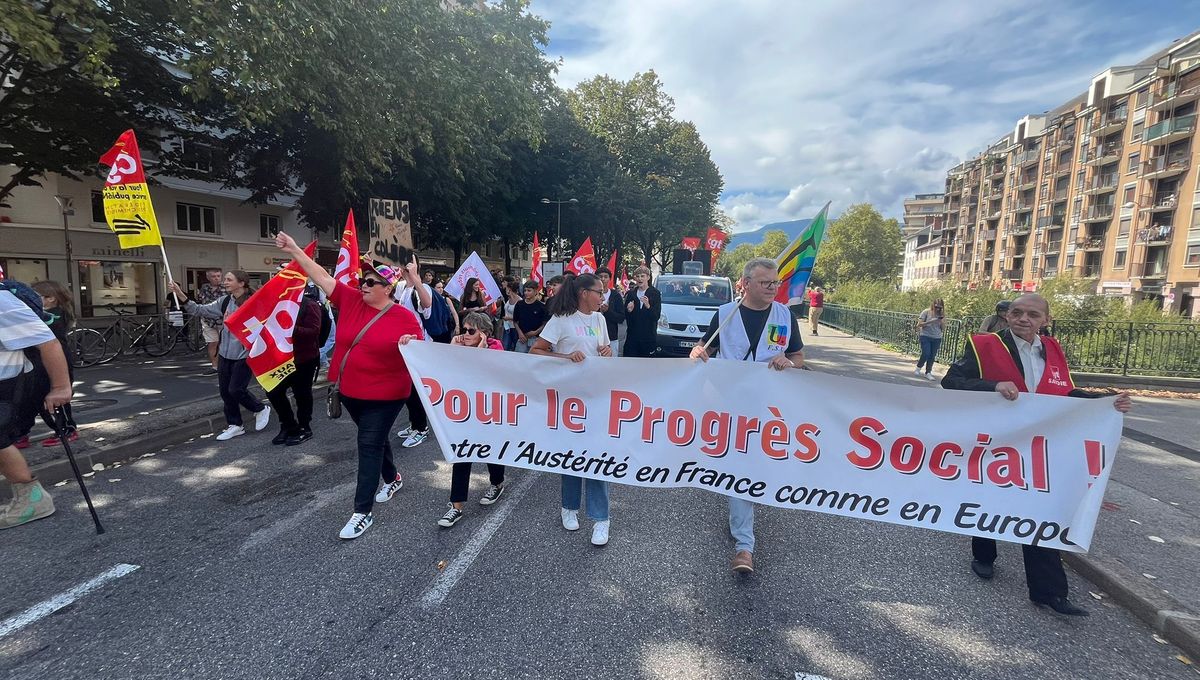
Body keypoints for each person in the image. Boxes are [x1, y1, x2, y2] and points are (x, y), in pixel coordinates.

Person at [942, 293, 1133, 617]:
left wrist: (1104, 401)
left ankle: (1049, 593)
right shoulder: (985, 344)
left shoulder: (1053, 349)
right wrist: (993, 386)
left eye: (1032, 314)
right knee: (990, 500)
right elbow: (952, 381)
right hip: (996, 441)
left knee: (1040, 512)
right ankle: (984, 555)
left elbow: (1065, 394)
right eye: (1017, 312)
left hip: (1040, 446)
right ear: (1007, 316)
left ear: (1045, 319)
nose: (1023, 319)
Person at [275, 231, 424, 539]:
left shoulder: (404, 319)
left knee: (368, 444)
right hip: (350, 392)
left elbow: (421, 357)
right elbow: (319, 275)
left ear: (388, 288)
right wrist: (294, 250)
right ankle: (392, 477)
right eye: (362, 281)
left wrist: (411, 343)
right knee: (375, 440)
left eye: (371, 282)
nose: (363, 286)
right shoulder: (350, 299)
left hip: (386, 395)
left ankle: (362, 512)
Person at [690, 257, 805, 574]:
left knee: (754, 469)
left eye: (776, 283)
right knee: (741, 468)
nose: (772, 288)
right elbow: (706, 347)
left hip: (770, 409)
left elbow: (798, 356)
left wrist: (789, 363)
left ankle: (743, 513)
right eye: (766, 282)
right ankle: (744, 546)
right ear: (746, 283)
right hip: (731, 406)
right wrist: (698, 353)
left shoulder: (785, 317)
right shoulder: (725, 315)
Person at [530, 273, 614, 546]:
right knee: (572, 455)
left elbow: (604, 348)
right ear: (583, 293)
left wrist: (606, 352)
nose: (602, 296)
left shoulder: (600, 319)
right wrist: (565, 356)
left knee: (598, 457)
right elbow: (536, 351)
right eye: (599, 291)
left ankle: (601, 520)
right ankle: (569, 507)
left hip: (597, 397)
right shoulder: (561, 320)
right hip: (569, 401)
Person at [0, 282, 72, 529]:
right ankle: (28, 498)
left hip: (7, 383)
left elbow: (48, 343)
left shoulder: (2, 301)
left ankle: (32, 499)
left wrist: (61, 387)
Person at [170, 272, 272, 441]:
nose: (225, 282)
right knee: (225, 392)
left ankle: (260, 408)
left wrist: (242, 324)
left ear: (242, 283)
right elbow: (199, 310)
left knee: (236, 389)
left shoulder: (254, 302)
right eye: (224, 279)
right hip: (225, 353)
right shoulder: (225, 301)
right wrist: (180, 294)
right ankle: (235, 425)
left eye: (229, 279)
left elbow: (263, 327)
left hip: (244, 354)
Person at [428, 311, 508, 527]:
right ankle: (456, 506)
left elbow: (492, 373)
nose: (465, 334)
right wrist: (453, 351)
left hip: (490, 412)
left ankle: (497, 483)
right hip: (465, 413)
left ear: (484, 333)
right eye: (464, 330)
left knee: (492, 451)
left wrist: (480, 351)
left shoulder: (496, 348)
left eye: (471, 330)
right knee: (462, 455)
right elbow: (439, 371)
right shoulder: (459, 349)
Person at [264, 290, 322, 446]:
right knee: (273, 390)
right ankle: (288, 425)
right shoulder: (274, 303)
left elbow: (314, 331)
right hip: (279, 358)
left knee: (301, 393)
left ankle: (304, 426)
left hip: (303, 359)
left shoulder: (309, 305)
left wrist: (289, 328)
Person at [392, 260, 436, 447]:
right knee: (407, 389)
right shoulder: (401, 287)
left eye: (406, 265)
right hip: (405, 346)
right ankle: (414, 424)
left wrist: (416, 278)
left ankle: (421, 428)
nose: (402, 269)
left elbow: (427, 305)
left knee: (415, 391)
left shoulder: (423, 287)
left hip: (419, 347)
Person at [31, 280, 79, 446]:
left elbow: (42, 329)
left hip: (58, 361)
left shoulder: (56, 315)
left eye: (36, 297)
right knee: (38, 397)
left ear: (50, 298)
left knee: (57, 400)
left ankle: (67, 428)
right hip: (41, 362)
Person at [622, 266, 661, 358]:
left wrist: (648, 306)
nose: (640, 279)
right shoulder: (631, 294)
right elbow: (625, 317)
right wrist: (628, 310)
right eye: (637, 276)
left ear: (648, 277)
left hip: (648, 338)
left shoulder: (655, 293)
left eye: (642, 276)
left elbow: (656, 316)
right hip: (632, 338)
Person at [195, 268, 224, 374]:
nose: (216, 278)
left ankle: (224, 365)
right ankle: (215, 366)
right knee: (213, 343)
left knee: (225, 343)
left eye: (218, 276)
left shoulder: (226, 287)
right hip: (208, 320)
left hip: (223, 320)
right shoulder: (204, 288)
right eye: (213, 276)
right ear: (208, 277)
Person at [512, 281, 548, 353]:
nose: (526, 293)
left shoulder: (541, 306)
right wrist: (520, 333)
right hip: (522, 338)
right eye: (525, 290)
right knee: (519, 358)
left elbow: (545, 323)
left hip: (536, 339)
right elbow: (515, 321)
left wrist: (535, 332)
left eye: (529, 290)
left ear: (535, 291)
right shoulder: (519, 304)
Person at [597, 266, 625, 356]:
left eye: (605, 277)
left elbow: (621, 318)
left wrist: (608, 311)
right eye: (600, 277)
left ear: (609, 279)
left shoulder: (615, 295)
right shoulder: (591, 294)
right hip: (594, 336)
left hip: (611, 337)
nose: (603, 279)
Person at [914, 298, 945, 381]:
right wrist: (931, 321)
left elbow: (943, 328)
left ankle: (928, 372)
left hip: (937, 337)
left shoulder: (942, 315)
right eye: (936, 307)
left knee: (932, 355)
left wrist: (941, 321)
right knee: (926, 353)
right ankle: (918, 367)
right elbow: (919, 324)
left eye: (940, 307)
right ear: (933, 305)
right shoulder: (926, 312)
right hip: (926, 335)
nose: (938, 309)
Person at [500, 281, 521, 351]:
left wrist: (509, 318)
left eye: (506, 289)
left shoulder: (520, 301)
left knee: (515, 345)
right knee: (505, 346)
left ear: (509, 289)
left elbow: (520, 316)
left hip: (515, 327)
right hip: (507, 327)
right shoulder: (508, 299)